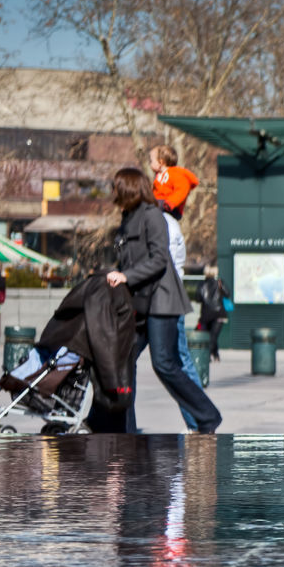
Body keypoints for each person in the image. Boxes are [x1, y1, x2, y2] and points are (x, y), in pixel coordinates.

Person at [102, 167, 221, 434]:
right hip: (142, 301)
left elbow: (158, 260)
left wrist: (126, 276)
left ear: (130, 188)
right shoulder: (128, 217)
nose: (114, 192)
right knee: (125, 360)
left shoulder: (153, 216)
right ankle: (125, 427)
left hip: (162, 299)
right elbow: (129, 259)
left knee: (165, 363)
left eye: (117, 187)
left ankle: (207, 416)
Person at [159, 202, 207, 432]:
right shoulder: (170, 223)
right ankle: (199, 419)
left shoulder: (164, 224)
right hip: (166, 298)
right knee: (178, 360)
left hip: (165, 299)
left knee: (176, 361)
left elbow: (159, 263)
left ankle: (199, 419)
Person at [149, 144, 199, 217]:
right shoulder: (159, 176)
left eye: (151, 161)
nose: (150, 163)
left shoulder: (175, 174)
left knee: (150, 207)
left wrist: (171, 202)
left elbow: (182, 189)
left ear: (161, 162)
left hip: (171, 207)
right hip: (160, 203)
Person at [196, 264, 228, 362]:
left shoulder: (201, 284)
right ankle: (210, 355)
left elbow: (198, 298)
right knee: (213, 336)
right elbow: (227, 294)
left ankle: (215, 354)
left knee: (211, 335)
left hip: (206, 314)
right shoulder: (219, 282)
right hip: (219, 314)